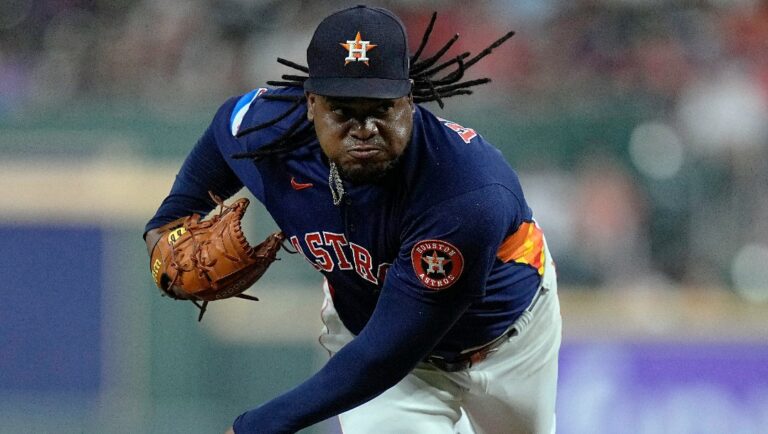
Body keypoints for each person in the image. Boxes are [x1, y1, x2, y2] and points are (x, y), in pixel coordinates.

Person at [144, 5, 561, 434]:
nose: (364, 128)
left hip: (509, 343)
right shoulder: (265, 130)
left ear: (410, 102)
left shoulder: (465, 192)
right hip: (378, 347)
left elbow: (384, 355)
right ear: (310, 104)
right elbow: (223, 130)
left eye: (381, 108)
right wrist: (162, 224)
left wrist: (257, 426)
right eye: (343, 110)